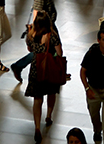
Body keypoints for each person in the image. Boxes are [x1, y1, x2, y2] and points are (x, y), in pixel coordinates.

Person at [11, 0, 59, 81]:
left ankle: (56, 69)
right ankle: (18, 66)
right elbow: (36, 11)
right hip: (44, 26)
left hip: (49, 24)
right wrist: (36, 29)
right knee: (48, 49)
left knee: (50, 49)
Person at [24, 11, 63, 143]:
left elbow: (30, 49)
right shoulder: (52, 36)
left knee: (37, 99)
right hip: (50, 69)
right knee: (51, 93)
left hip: (36, 69)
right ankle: (48, 116)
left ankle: (37, 127)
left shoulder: (31, 35)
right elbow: (59, 52)